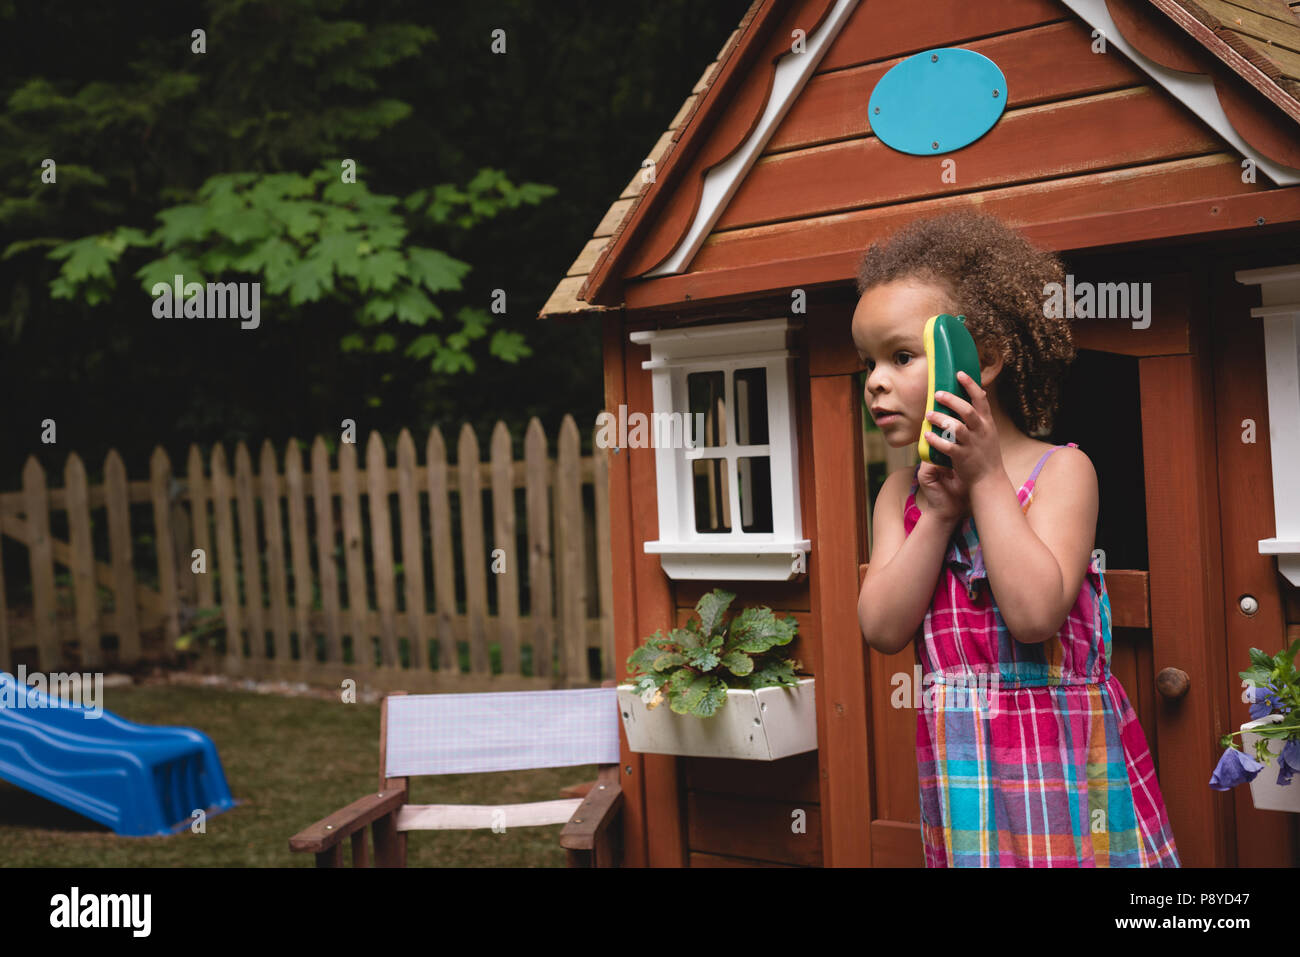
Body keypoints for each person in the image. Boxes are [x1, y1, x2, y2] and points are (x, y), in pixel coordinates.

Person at [854, 210, 1180, 867]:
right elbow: (882, 626)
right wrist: (940, 517)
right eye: (868, 361)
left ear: (982, 358)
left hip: (1063, 766)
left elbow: (1034, 615)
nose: (875, 381)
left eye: (901, 355)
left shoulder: (1062, 472)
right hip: (966, 776)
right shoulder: (900, 498)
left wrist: (983, 480)